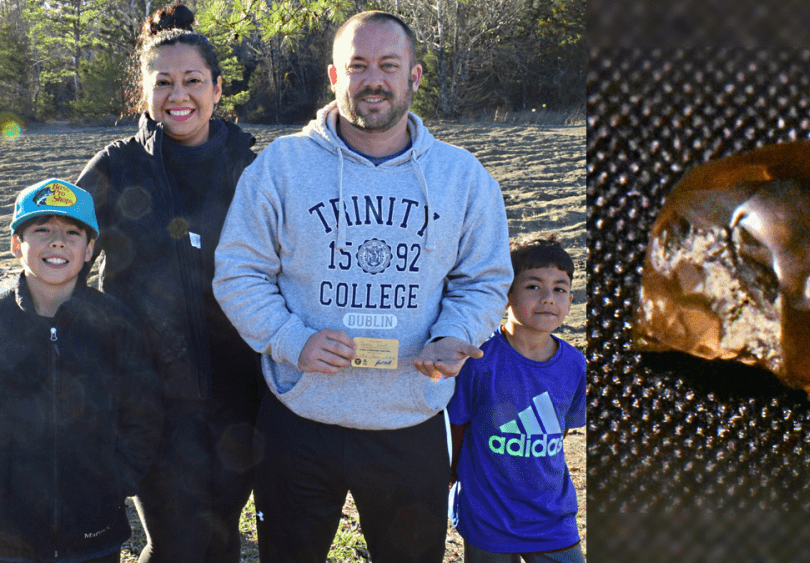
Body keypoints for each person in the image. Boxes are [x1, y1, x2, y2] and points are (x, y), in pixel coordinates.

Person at [212, 9, 513, 563]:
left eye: (388, 65)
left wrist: (456, 333)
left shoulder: (463, 177)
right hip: (299, 416)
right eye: (358, 66)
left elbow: (484, 279)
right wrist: (289, 337)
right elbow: (238, 271)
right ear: (334, 77)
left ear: (414, 77)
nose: (373, 79)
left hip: (410, 418)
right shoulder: (281, 167)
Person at [74, 5, 261, 562]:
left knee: (223, 537)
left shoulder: (251, 169)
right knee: (176, 544)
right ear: (144, 92)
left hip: (238, 396)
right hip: (149, 396)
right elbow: (60, 262)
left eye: (193, 81)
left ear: (217, 88)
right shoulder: (115, 167)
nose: (179, 96)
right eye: (163, 83)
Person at [0, 179, 163, 563]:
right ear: (16, 244)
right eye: (42, 229)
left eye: (72, 233)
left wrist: (115, 482)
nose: (57, 242)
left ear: (89, 250)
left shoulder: (116, 324)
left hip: (94, 533)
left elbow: (144, 413)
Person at [447, 236, 586, 563]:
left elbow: (559, 430)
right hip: (489, 514)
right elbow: (457, 427)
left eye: (560, 289)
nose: (548, 299)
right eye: (534, 287)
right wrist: (453, 476)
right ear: (505, 296)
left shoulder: (575, 364)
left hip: (551, 515)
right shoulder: (478, 359)